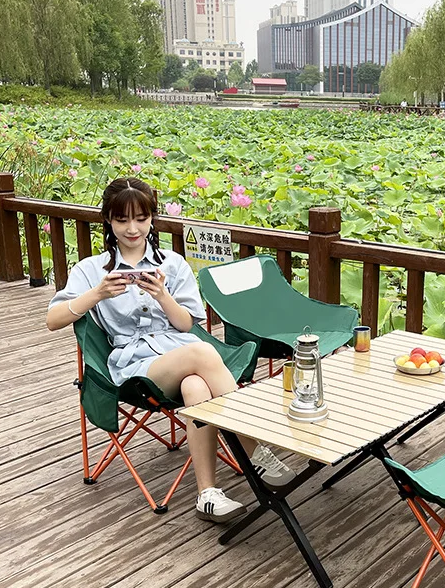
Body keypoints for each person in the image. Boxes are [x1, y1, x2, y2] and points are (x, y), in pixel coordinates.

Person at [47, 178, 296, 523]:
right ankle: (254, 446)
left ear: (152, 218)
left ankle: (207, 494)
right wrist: (98, 294)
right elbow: (53, 319)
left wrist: (162, 295)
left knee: (196, 384)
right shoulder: (90, 270)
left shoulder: (173, 264)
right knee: (203, 353)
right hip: (135, 367)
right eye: (122, 220)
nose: (132, 228)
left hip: (178, 347)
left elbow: (185, 325)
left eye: (141, 218)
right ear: (108, 220)